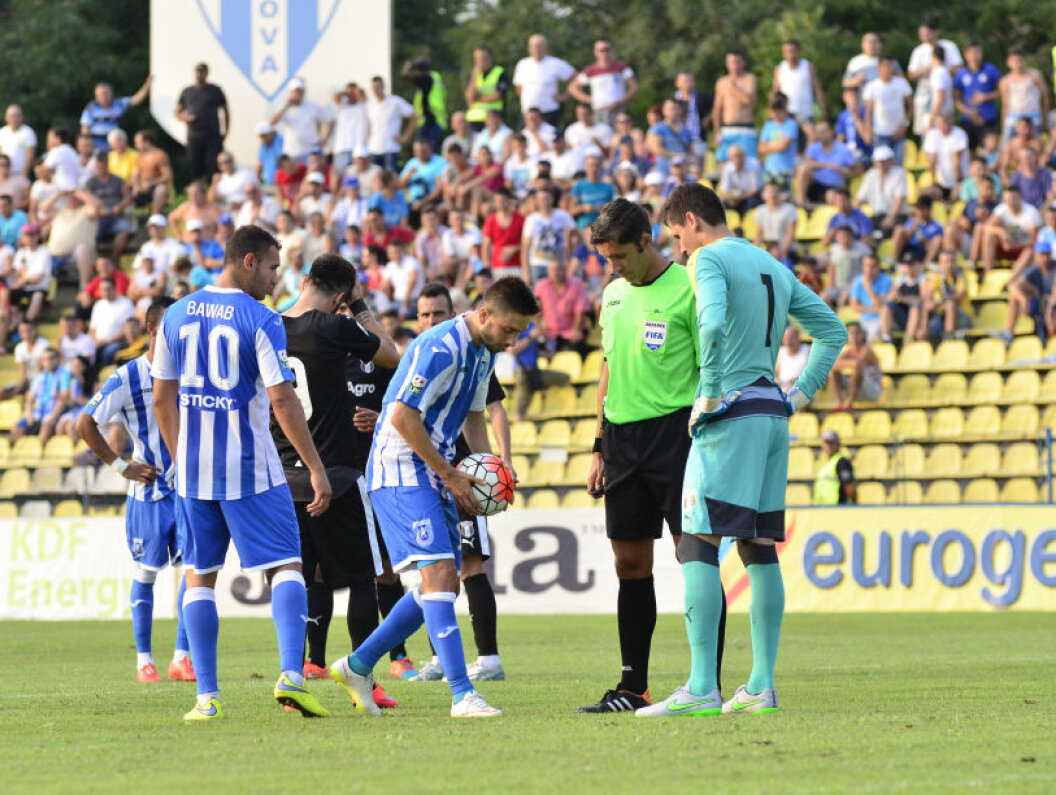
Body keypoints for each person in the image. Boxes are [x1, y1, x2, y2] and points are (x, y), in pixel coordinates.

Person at [640, 182, 845, 717]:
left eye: (676, 236)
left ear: (691, 221)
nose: (678, 249)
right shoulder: (772, 264)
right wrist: (797, 396)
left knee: (697, 542)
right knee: (758, 547)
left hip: (730, 411)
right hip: (771, 413)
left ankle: (701, 687)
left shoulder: (707, 259)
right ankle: (759, 687)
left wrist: (708, 393)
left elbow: (710, 323)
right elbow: (833, 332)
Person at [328, 277, 538, 719]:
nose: (511, 341)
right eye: (508, 330)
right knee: (440, 574)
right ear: (484, 314)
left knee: (442, 584)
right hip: (401, 468)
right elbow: (402, 417)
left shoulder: (484, 353)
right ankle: (462, 695)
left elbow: (475, 416)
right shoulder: (440, 347)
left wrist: (485, 475)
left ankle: (357, 665)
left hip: (435, 470)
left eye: (519, 333)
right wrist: (450, 474)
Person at [151, 225, 333, 721]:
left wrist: (180, 457)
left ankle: (206, 697)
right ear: (248, 261)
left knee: (198, 578)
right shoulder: (262, 318)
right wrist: (315, 467)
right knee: (287, 566)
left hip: (194, 472)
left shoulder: (175, 314)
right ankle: (291, 676)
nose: (276, 279)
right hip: (251, 468)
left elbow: (162, 398)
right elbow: (282, 399)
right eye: (273, 268)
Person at [571, 199, 718, 714]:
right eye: (607, 259)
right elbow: (609, 369)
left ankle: (706, 683)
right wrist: (598, 445)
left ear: (646, 242)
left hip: (677, 436)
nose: (614, 267)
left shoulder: (689, 288)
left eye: (620, 257)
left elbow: (710, 368)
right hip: (621, 441)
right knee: (629, 563)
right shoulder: (612, 295)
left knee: (694, 556)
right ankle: (633, 687)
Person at [273, 255, 401, 706]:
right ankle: (362, 678)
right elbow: (391, 356)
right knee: (364, 578)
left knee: (294, 577)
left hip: (283, 476)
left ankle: (293, 674)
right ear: (342, 296)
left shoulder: (269, 326)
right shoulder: (335, 326)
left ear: (305, 280)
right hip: (338, 473)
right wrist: (360, 309)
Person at [402, 283, 514, 683]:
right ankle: (439, 658)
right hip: (428, 477)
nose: (431, 320)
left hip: (466, 477)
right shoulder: (423, 357)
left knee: (470, 564)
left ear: (453, 315)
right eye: (424, 314)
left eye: (438, 313)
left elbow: (489, 410)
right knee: (435, 569)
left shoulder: (474, 354)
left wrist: (498, 463)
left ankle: (488, 658)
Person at [76, 296, 192, 683]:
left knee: (194, 572)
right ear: (152, 329)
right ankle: (144, 660)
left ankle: (182, 657)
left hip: (189, 489)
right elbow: (85, 423)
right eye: (171, 327)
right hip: (149, 493)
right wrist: (121, 465)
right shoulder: (127, 377)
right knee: (146, 573)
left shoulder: (193, 371)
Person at [175, 63, 230, 182]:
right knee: (196, 167)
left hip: (213, 134)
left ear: (207, 73)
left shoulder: (215, 90)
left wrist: (226, 129)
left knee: (216, 165)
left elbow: (226, 111)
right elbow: (177, 112)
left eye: (202, 72)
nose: (200, 74)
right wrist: (186, 118)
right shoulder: (187, 91)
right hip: (195, 135)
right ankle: (200, 190)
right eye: (198, 72)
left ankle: (217, 189)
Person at [570, 39, 638, 125]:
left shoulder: (621, 67)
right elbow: (573, 88)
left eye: (607, 49)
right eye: (601, 50)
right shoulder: (591, 70)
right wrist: (589, 99)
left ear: (612, 51)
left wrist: (621, 101)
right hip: (599, 111)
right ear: (596, 52)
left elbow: (634, 87)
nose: (605, 53)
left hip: (619, 110)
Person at [513, 34, 575, 128]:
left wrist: (565, 96)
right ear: (529, 48)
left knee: (549, 136)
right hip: (528, 112)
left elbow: (576, 77)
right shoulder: (522, 64)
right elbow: (519, 87)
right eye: (534, 46)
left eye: (540, 46)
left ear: (546, 47)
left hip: (549, 111)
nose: (537, 49)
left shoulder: (555, 63)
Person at [860, 56, 913, 164]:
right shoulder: (872, 86)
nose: (889, 69)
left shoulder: (902, 83)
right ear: (879, 67)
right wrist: (868, 131)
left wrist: (905, 125)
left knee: (897, 165)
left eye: (891, 66)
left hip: (898, 131)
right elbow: (868, 111)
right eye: (886, 66)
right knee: (881, 164)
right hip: (880, 133)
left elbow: (911, 105)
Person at [771, 40, 826, 140]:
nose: (790, 55)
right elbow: (775, 92)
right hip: (786, 114)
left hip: (806, 113)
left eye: (793, 51)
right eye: (787, 52)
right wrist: (773, 113)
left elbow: (817, 90)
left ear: (798, 51)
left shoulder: (808, 67)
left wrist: (822, 111)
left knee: (810, 139)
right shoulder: (780, 69)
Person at [13, 347, 69, 444]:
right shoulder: (40, 377)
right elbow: (29, 400)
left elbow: (63, 399)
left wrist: (52, 418)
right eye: (45, 359)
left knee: (46, 427)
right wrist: (29, 415)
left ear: (57, 359)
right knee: (17, 428)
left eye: (51, 358)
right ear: (42, 362)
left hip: (55, 414)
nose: (48, 362)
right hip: (38, 413)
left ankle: (40, 451)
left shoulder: (65, 375)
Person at [795, 120, 857, 207]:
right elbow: (807, 163)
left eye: (823, 131)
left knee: (831, 196)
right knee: (802, 169)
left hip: (833, 187)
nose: (820, 134)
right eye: (818, 132)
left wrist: (845, 172)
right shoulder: (814, 147)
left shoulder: (843, 149)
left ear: (832, 131)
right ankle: (800, 204)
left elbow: (857, 169)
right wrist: (827, 165)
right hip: (816, 184)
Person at [80, 76, 152, 151]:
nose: (103, 96)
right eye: (100, 94)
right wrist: (87, 146)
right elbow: (85, 129)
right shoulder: (91, 107)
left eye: (105, 93)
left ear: (111, 93)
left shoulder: (118, 104)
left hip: (114, 147)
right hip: (96, 147)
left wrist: (148, 83)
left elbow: (136, 99)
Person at [270, 77, 331, 165]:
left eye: (301, 91)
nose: (299, 93)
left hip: (310, 152)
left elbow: (329, 120)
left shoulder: (312, 106)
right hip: (292, 152)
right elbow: (272, 122)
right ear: (291, 92)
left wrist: (325, 139)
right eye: (296, 91)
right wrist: (286, 107)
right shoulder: (285, 107)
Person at [712, 51, 759, 161]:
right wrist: (717, 133)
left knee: (748, 162)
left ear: (743, 63)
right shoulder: (721, 82)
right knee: (724, 162)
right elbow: (717, 110)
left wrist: (733, 87)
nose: (735, 66)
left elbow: (747, 101)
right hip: (727, 129)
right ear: (727, 64)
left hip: (746, 128)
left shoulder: (750, 79)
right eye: (732, 62)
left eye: (738, 62)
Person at [953, 42, 1000, 149]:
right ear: (966, 55)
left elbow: (1001, 92)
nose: (974, 56)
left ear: (982, 54)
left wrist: (985, 97)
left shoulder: (991, 70)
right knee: (969, 150)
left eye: (977, 52)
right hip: (968, 119)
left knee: (990, 149)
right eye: (971, 53)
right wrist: (968, 112)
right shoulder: (960, 74)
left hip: (988, 118)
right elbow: (956, 99)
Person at [1006, 240, 1055, 340]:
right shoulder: (1034, 269)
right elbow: (1013, 286)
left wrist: (1049, 309)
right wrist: (1024, 299)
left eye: (1047, 254)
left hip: (1052, 304)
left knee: (1051, 318)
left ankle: (1051, 343)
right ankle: (1008, 332)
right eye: (1042, 255)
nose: (1045, 258)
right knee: (1014, 297)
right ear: (1036, 256)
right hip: (1041, 303)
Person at [829, 323, 883, 410]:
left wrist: (843, 364)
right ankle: (839, 403)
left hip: (872, 391)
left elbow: (857, 364)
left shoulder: (867, 350)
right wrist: (848, 363)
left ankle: (849, 402)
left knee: (857, 370)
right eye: (851, 333)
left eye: (857, 333)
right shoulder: (848, 352)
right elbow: (832, 366)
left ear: (863, 335)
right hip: (859, 389)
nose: (854, 336)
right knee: (833, 372)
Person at [880, 256, 928, 341]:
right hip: (902, 315)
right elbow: (891, 297)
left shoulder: (923, 279)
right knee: (886, 306)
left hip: (918, 317)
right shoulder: (900, 279)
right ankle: (885, 337)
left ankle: (909, 338)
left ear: (917, 265)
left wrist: (903, 299)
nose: (909, 268)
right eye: (906, 265)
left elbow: (923, 299)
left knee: (916, 307)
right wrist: (894, 294)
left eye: (911, 265)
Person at [757, 93, 798, 189]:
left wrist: (768, 145)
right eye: (773, 111)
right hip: (769, 168)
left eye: (778, 111)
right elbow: (761, 148)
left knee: (784, 195)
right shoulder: (768, 125)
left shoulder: (791, 124)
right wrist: (778, 145)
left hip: (786, 168)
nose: (775, 114)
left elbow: (784, 146)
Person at [465, 46, 509, 132]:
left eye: (483, 58)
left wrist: (478, 99)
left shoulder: (499, 72)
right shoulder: (474, 75)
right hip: (474, 118)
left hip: (494, 117)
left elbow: (498, 95)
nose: (480, 62)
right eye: (477, 59)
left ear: (490, 58)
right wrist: (475, 76)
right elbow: (469, 98)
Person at [132, 130, 174, 214]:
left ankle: (155, 215)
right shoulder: (140, 156)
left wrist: (151, 183)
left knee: (161, 189)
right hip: (142, 187)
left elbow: (168, 176)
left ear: (147, 142)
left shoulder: (160, 155)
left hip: (156, 187)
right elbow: (135, 174)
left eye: (138, 142)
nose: (136, 145)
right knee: (124, 192)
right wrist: (136, 186)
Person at [813, 430, 856, 505]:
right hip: (822, 508)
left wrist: (854, 507)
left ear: (838, 444)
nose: (828, 445)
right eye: (826, 442)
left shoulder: (842, 462)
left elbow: (849, 487)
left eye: (831, 443)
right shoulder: (826, 462)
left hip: (837, 508)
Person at [774, 324, 809, 392]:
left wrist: (795, 380)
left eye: (791, 338)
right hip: (782, 390)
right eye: (786, 339)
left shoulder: (807, 350)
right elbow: (775, 373)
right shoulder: (780, 352)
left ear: (798, 338)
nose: (788, 342)